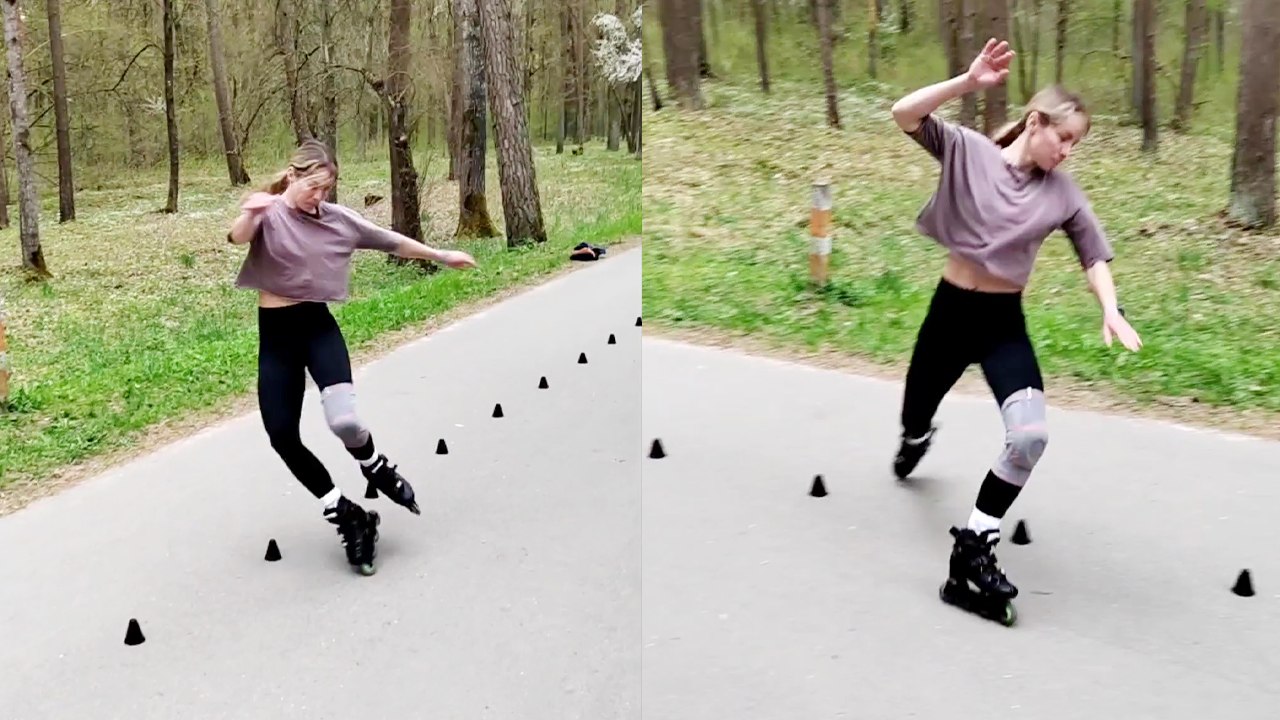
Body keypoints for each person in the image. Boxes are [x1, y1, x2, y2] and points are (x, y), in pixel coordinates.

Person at [888, 39, 1143, 605]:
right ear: (1036, 123)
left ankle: (976, 542)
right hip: (949, 313)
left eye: (1078, 143)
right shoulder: (968, 151)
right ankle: (915, 439)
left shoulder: (1063, 194)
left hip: (1002, 323)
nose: (1070, 152)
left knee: (1029, 437)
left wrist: (1110, 307)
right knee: (914, 413)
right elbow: (904, 113)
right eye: (1065, 137)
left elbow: (1093, 254)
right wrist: (968, 83)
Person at [227, 138, 477, 575]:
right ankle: (349, 515)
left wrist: (440, 255)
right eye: (314, 188)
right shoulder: (268, 214)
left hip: (318, 329)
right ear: (293, 177)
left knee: (344, 420)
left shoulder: (338, 221)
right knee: (282, 435)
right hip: (277, 337)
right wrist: (251, 209)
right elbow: (237, 237)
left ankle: (376, 466)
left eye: (327, 190)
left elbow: (391, 241)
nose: (320, 198)